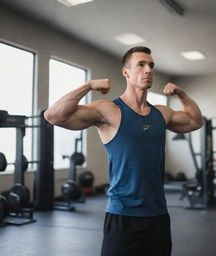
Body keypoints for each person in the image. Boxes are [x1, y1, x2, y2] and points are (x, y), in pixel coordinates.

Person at [44, 46, 204, 256]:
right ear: (126, 72)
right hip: (122, 216)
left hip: (158, 215)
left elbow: (195, 121)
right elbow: (53, 116)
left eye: (151, 66)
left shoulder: (162, 113)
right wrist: (89, 85)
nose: (148, 70)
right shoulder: (108, 111)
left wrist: (182, 94)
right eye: (141, 64)